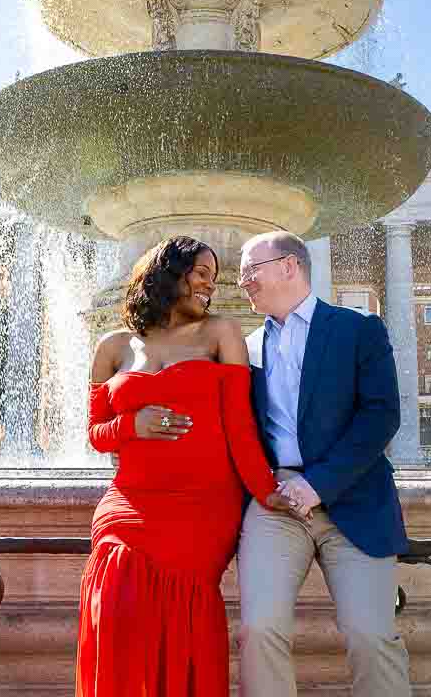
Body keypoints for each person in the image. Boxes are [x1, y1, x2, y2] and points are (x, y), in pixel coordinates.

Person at [77, 236, 298, 697]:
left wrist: (265, 490)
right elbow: (96, 433)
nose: (208, 287)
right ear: (168, 273)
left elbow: (240, 427)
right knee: (116, 610)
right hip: (129, 504)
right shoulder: (112, 347)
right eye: (201, 274)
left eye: (213, 279)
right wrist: (132, 425)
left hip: (202, 510)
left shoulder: (221, 333)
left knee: (184, 623)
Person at [238, 230, 410, 697]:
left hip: (354, 496)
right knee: (258, 629)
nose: (242, 283)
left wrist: (319, 485)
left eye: (250, 270)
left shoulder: (359, 329)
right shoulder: (244, 347)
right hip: (276, 503)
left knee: (371, 635)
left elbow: (381, 415)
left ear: (288, 266)